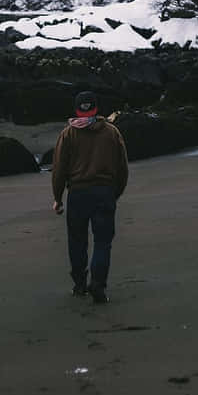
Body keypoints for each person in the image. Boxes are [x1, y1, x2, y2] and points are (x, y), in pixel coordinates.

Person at [51, 91, 128, 304]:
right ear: (97, 108)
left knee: (77, 242)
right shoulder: (112, 132)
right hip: (104, 193)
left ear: (77, 110)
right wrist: (116, 193)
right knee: (103, 242)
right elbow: (122, 167)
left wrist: (57, 197)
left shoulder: (68, 134)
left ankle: (79, 284)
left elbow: (59, 169)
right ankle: (98, 285)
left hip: (77, 194)